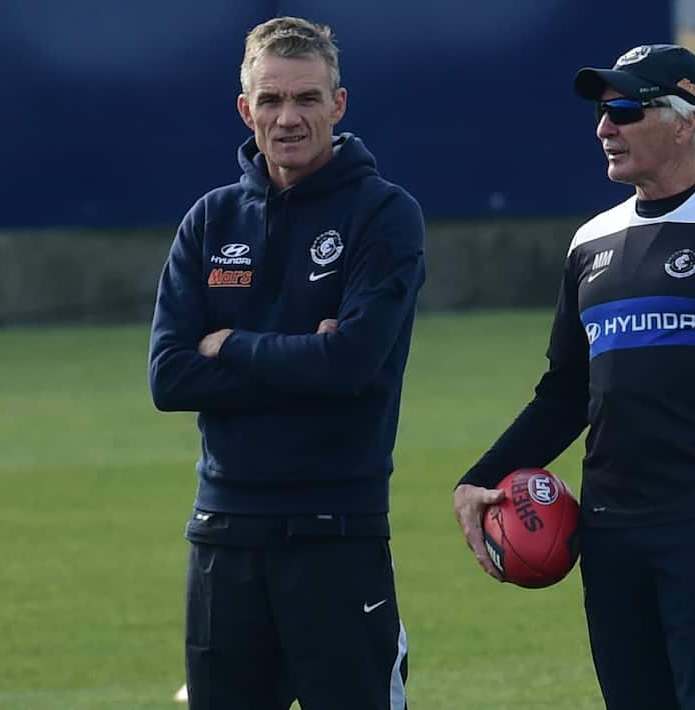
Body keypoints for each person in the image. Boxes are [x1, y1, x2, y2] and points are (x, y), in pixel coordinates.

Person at [453, 44, 695, 709]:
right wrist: (480, 479)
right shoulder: (590, 243)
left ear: (686, 121)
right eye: (603, 113)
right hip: (608, 535)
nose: (605, 128)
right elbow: (566, 394)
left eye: (625, 110)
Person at [149, 16, 424, 710]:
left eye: (306, 98)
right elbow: (170, 375)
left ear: (338, 103)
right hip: (223, 534)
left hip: (336, 531)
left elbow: (350, 364)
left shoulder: (383, 215)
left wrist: (233, 344)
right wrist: (306, 349)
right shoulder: (210, 220)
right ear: (246, 110)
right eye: (271, 101)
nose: (288, 117)